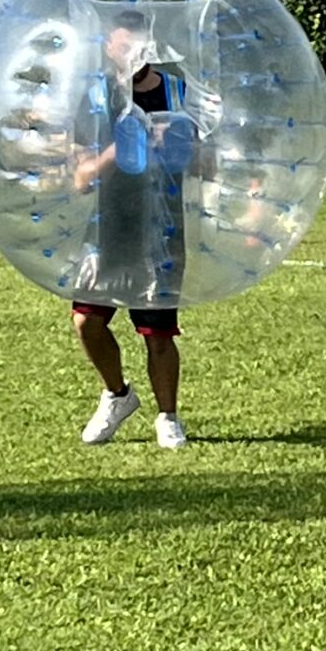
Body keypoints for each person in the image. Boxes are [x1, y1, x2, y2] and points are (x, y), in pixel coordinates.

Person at [69, 32, 203, 449]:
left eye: (138, 46)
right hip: (109, 224)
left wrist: (177, 142)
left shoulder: (178, 91)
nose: (131, 55)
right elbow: (80, 177)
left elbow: (210, 161)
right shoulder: (94, 98)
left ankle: (168, 417)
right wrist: (121, 148)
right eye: (122, 47)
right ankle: (117, 394)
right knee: (86, 320)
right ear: (109, 50)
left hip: (162, 225)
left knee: (157, 330)